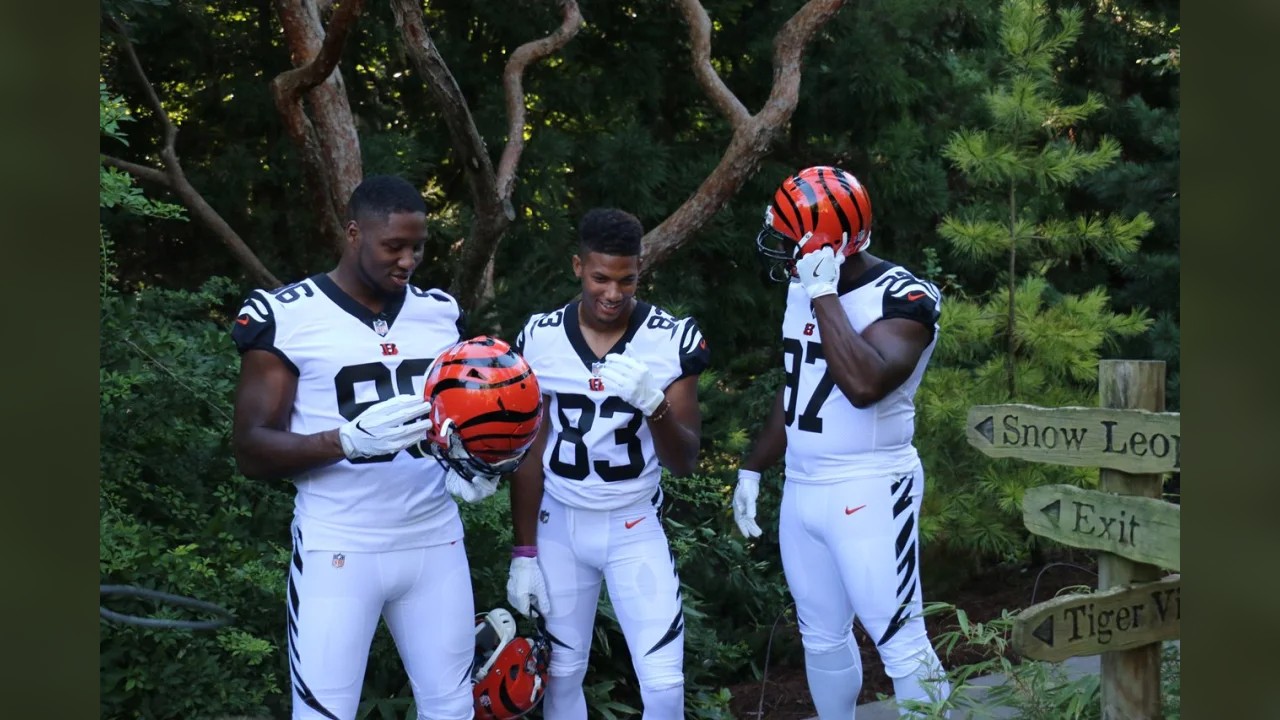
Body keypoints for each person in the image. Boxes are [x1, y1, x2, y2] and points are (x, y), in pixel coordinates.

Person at [229, 174, 502, 720]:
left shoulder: (440, 312)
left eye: (417, 247)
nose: (408, 261)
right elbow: (250, 449)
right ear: (353, 233)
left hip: (435, 539)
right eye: (393, 246)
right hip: (340, 544)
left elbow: (464, 415)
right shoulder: (287, 315)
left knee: (453, 709)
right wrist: (345, 441)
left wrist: (477, 460)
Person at [732, 166, 952, 718]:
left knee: (901, 640)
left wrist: (824, 292)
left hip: (871, 485)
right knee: (821, 635)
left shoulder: (903, 297)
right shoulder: (803, 287)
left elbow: (863, 385)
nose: (779, 247)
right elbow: (799, 385)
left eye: (790, 237)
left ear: (824, 244)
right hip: (804, 488)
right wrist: (754, 466)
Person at [503, 208, 711, 719]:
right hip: (560, 523)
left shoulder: (669, 338)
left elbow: (684, 461)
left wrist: (654, 405)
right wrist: (524, 551)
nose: (613, 293)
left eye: (627, 280)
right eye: (600, 278)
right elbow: (530, 451)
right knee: (561, 676)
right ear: (578, 266)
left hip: (633, 524)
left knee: (663, 683)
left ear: (640, 271)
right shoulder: (540, 337)